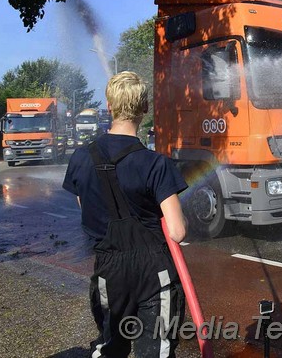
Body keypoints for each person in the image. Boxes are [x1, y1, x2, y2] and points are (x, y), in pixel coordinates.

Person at [63, 71, 188, 358]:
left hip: (108, 269)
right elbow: (177, 232)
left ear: (109, 106)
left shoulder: (82, 158)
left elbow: (89, 212)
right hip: (154, 272)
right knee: (156, 350)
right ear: (144, 109)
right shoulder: (157, 164)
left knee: (111, 345)